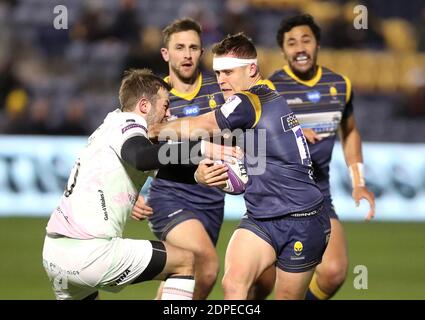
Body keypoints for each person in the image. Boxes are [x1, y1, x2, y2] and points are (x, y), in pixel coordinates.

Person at [150, 33, 332, 300]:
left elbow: (205, 125)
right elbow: (244, 157)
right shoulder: (264, 100)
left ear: (252, 70)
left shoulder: (249, 100)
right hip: (261, 217)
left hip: (302, 219)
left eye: (228, 72)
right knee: (233, 285)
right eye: (218, 73)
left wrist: (157, 130)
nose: (221, 80)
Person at [41, 68, 236, 300]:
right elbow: (141, 157)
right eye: (165, 105)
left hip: (55, 253)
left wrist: (197, 175)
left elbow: (157, 164)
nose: (169, 113)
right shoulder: (129, 124)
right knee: (185, 262)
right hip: (90, 253)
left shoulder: (110, 126)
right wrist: (201, 148)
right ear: (144, 106)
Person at [268, 14, 375, 300]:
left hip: (318, 194)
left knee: (334, 271)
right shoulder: (269, 90)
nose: (300, 48)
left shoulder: (340, 85)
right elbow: (252, 141)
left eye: (306, 40)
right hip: (274, 196)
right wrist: (292, 130)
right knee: (261, 283)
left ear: (317, 45)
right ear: (283, 50)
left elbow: (350, 132)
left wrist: (358, 181)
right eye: (292, 43)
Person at [130, 18, 227, 300]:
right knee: (207, 265)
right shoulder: (152, 97)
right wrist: (131, 192)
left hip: (212, 200)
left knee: (185, 277)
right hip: (169, 197)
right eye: (180, 47)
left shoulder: (219, 90)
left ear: (201, 52)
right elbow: (130, 145)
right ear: (165, 53)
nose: (187, 54)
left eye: (193, 47)